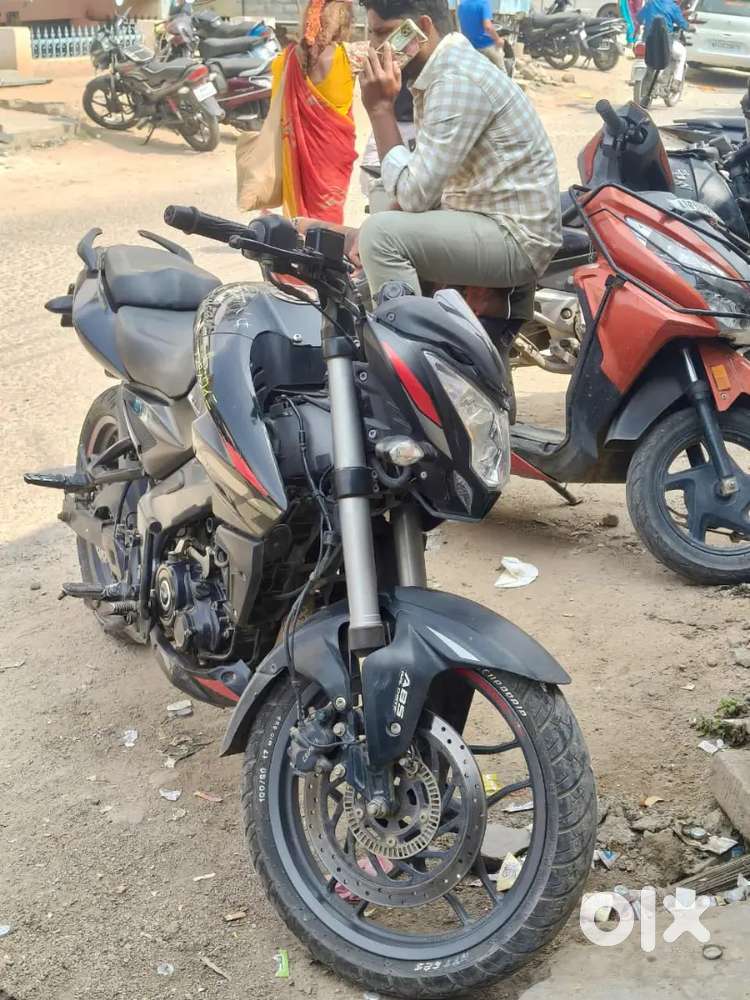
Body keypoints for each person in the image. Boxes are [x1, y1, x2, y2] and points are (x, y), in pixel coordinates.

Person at [357, 0, 561, 300]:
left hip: (516, 238)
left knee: (379, 236)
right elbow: (424, 182)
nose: (375, 47)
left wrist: (379, 109)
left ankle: (407, 329)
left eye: (383, 33)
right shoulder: (443, 70)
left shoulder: (455, 79)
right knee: (380, 195)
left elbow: (414, 196)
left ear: (422, 28)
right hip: (481, 216)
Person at [270, 0, 358, 224]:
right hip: (333, 155)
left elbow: (276, 110)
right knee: (328, 216)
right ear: (344, 24)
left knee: (300, 217)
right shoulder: (350, 57)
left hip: (296, 153)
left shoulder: (283, 60)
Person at [637, 0, 689, 86]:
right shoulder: (673, 7)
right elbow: (682, 23)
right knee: (682, 53)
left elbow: (639, 17)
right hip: (664, 43)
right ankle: (676, 81)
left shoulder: (650, 3)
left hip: (647, 41)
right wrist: (689, 27)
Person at [457, 0, 507, 71]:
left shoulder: (462, 5)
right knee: (502, 73)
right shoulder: (483, 3)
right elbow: (488, 27)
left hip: (470, 47)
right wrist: (497, 39)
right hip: (486, 46)